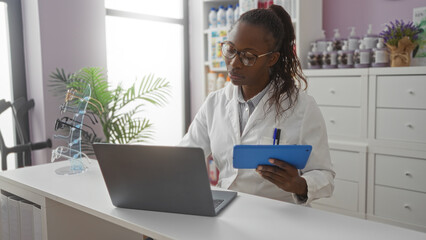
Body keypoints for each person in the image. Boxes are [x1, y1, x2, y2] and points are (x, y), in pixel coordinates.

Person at [179, 5, 334, 205]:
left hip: (279, 216)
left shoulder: (301, 107)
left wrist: (299, 184)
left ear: (271, 59)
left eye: (248, 56)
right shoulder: (214, 103)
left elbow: (325, 176)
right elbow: (186, 157)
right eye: (230, 50)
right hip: (228, 208)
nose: (234, 63)